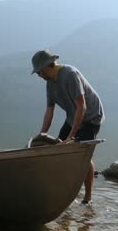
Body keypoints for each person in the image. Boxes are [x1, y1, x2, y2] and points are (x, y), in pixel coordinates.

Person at [31, 50, 104, 204]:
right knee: (59, 148)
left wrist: (71, 136)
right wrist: (41, 135)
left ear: (45, 67)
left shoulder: (70, 74)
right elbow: (49, 111)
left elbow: (82, 107)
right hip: (73, 116)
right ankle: (66, 190)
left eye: (38, 71)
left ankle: (87, 197)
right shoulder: (50, 84)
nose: (38, 75)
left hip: (91, 116)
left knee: (82, 155)